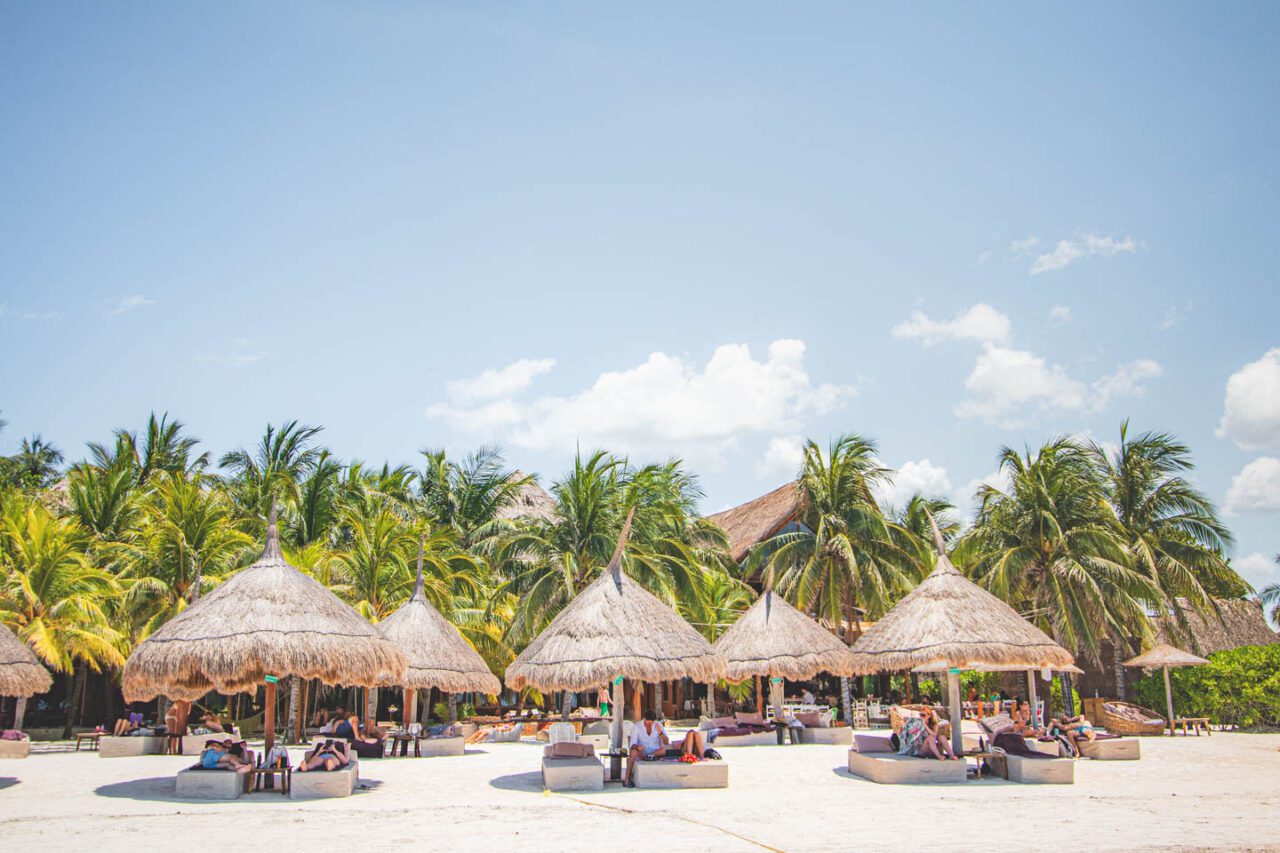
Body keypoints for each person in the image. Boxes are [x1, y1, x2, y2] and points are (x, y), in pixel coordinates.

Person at [624, 710, 705, 787]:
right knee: (633, 752)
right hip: (643, 751)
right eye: (648, 722)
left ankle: (651, 756)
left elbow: (666, 742)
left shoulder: (658, 725)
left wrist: (660, 733)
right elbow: (632, 744)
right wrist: (638, 747)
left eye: (651, 723)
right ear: (644, 719)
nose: (649, 724)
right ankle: (626, 780)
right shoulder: (637, 726)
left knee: (664, 750)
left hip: (656, 752)